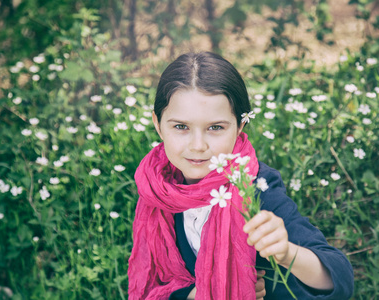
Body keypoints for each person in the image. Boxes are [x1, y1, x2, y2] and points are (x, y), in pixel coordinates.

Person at [128, 52, 354, 300]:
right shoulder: (157, 187)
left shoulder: (254, 186)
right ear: (158, 124)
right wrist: (200, 293)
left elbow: (339, 279)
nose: (198, 145)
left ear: (240, 127)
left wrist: (286, 252)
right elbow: (157, 283)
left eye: (215, 128)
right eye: (181, 127)